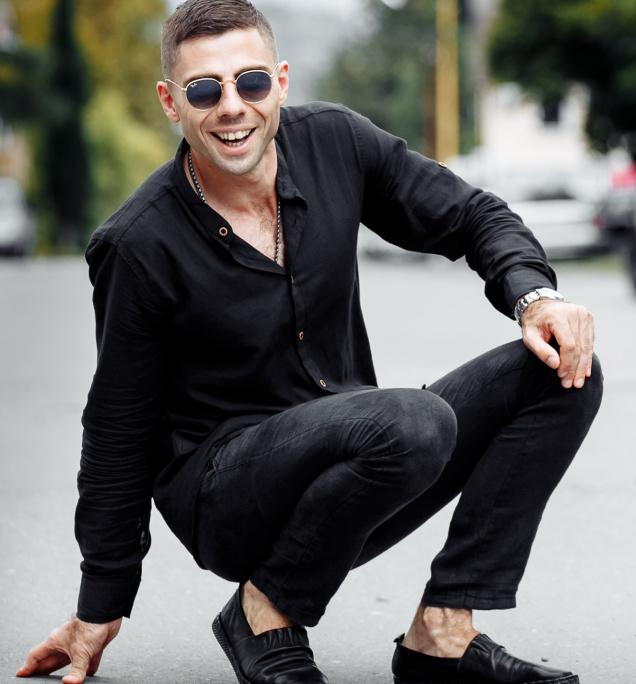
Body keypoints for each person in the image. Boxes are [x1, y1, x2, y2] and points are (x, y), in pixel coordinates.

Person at [17, 1, 603, 683]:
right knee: (411, 422)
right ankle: (263, 615)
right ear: (171, 102)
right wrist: (100, 604)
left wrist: (536, 297)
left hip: (359, 464)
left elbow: (472, 214)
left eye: (251, 82)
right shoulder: (137, 244)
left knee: (564, 367)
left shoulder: (334, 142)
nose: (232, 107)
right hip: (228, 498)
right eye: (204, 90)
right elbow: (119, 429)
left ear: (281, 82)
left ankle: (442, 631)